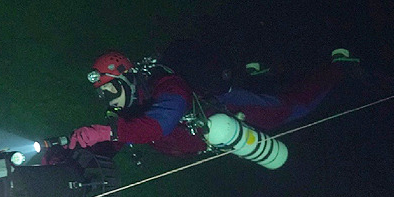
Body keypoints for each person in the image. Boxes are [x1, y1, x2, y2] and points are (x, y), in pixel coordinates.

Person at [65, 41, 360, 158]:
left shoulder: (167, 86)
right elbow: (112, 145)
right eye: (103, 95)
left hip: (234, 109)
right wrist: (68, 151)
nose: (109, 101)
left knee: (294, 108)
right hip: (214, 134)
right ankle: (254, 70)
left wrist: (108, 131)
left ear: (127, 79)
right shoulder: (130, 111)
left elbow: (160, 125)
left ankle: (338, 68)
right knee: (264, 84)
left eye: (110, 91)